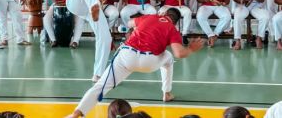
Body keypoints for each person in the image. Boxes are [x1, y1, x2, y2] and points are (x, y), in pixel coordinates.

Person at [65, 8, 204, 118]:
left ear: (164, 13)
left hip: (127, 56)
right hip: (149, 61)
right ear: (175, 21)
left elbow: (130, 23)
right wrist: (191, 48)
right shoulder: (173, 29)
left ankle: (76, 114)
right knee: (167, 57)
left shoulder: (150, 17)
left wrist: (138, 27)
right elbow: (179, 53)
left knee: (100, 86)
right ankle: (166, 93)